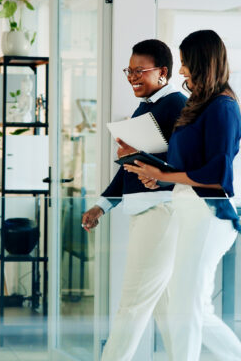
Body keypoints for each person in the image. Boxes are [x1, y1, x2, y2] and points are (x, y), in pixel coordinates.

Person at [124, 30, 241, 361]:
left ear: (203, 63)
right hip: (190, 211)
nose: (181, 71)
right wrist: (160, 178)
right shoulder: (201, 104)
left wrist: (163, 175)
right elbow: (186, 164)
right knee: (194, 306)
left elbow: (216, 175)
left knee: (185, 304)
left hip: (210, 216)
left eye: (185, 63)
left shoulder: (224, 108)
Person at [81, 39, 187, 361]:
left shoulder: (176, 105)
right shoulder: (147, 105)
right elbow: (133, 166)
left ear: (163, 72)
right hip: (147, 212)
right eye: (129, 71)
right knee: (165, 306)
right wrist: (104, 203)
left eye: (139, 71)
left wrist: (138, 156)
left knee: (133, 302)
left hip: (162, 212)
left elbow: (183, 165)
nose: (132, 77)